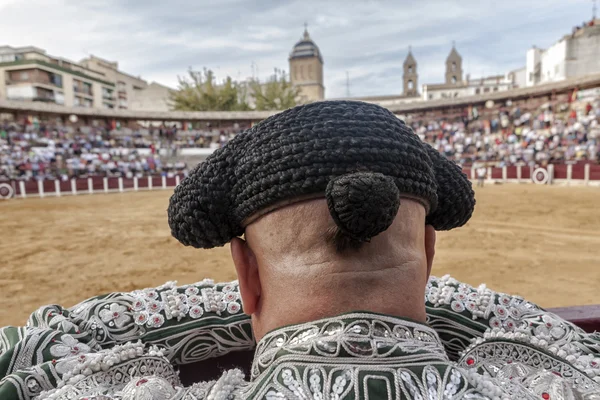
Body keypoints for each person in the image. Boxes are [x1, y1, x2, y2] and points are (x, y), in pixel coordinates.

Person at [1, 101, 600, 400]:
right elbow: (529, 327)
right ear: (429, 250)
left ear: (245, 274)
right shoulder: (562, 382)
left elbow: (44, 342)